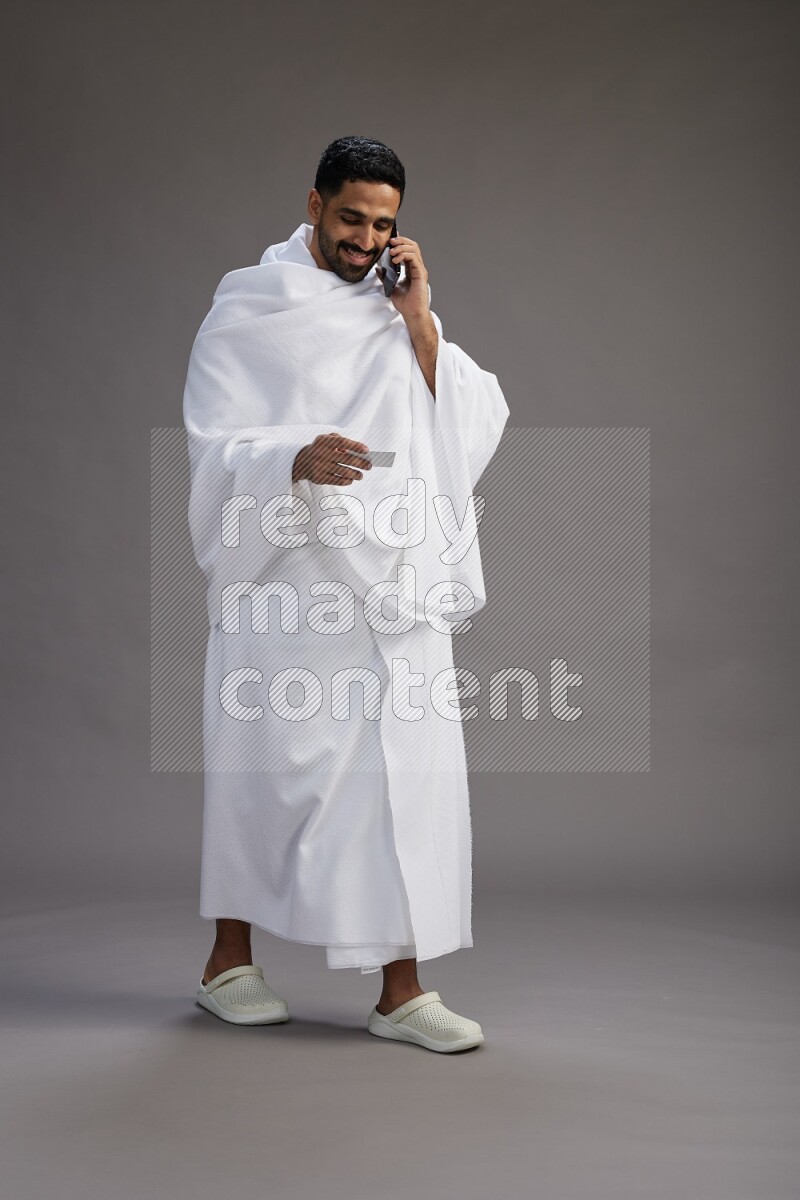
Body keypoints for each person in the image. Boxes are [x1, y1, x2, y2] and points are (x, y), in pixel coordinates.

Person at [182, 135, 509, 1053]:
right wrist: (291, 459)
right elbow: (212, 446)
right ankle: (227, 966)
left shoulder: (393, 307)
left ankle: (402, 991)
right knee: (265, 768)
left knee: (405, 776)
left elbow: (476, 418)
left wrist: (418, 323)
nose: (367, 239)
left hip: (391, 581)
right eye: (353, 218)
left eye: (385, 224)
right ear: (316, 204)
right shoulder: (250, 309)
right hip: (287, 583)